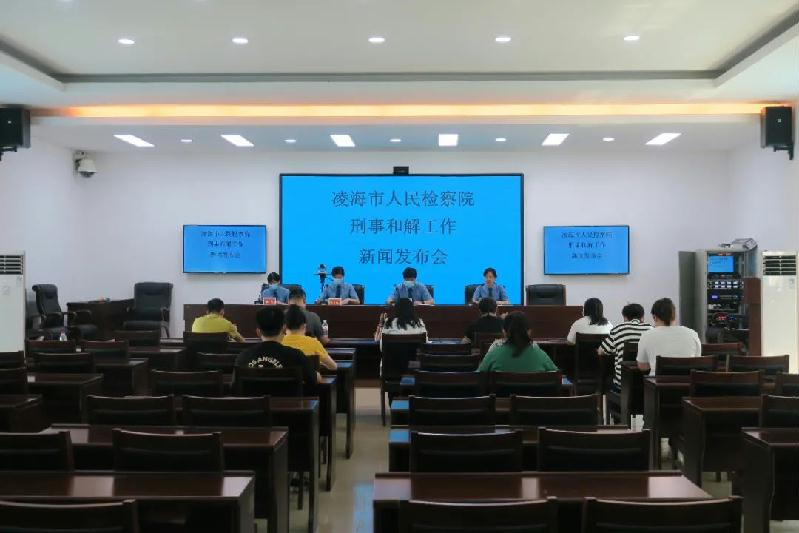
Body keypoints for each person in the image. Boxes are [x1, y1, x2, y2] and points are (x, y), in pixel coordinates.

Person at [235, 306, 319, 385]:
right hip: (287, 396)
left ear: (258, 332)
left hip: (253, 396)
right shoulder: (296, 356)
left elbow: (235, 386)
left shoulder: (243, 356)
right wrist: (317, 375)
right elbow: (314, 380)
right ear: (284, 329)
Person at [637, 298, 702, 375]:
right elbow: (697, 361)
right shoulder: (692, 333)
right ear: (675, 316)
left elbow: (643, 366)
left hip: (658, 381)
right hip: (688, 381)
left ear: (654, 317)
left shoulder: (647, 335)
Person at [478, 312, 558, 372]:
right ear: (529, 332)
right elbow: (556, 376)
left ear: (504, 332)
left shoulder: (494, 353)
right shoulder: (540, 355)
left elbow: (478, 376)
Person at [598, 303, 652, 391]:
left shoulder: (618, 329)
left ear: (625, 317)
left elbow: (601, 351)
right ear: (642, 317)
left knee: (607, 378)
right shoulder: (651, 329)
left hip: (623, 384)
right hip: (647, 384)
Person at [282, 305, 337, 371]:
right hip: (309, 377)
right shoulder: (313, 343)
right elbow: (333, 366)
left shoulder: (278, 343)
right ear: (304, 326)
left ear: (284, 327)